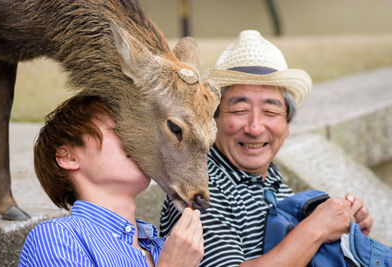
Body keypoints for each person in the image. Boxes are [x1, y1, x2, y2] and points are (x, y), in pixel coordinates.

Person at [160, 30, 374, 267]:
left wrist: (346, 236)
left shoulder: (277, 187)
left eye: (270, 112)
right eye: (240, 111)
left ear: (287, 126)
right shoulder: (200, 189)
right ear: (212, 120)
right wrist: (318, 228)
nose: (254, 127)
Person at [18, 95, 204, 267]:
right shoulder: (57, 237)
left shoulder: (163, 247)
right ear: (68, 157)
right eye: (120, 129)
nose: (139, 141)